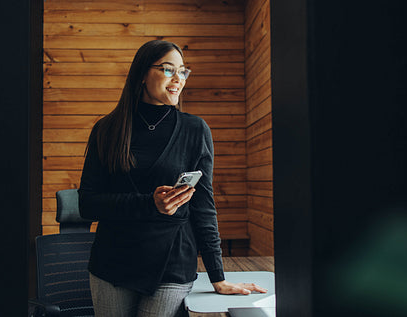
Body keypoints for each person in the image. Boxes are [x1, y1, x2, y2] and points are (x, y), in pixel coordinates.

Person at [78, 40, 267, 317]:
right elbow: (87, 205)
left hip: (172, 263)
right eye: (168, 70)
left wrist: (218, 276)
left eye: (183, 71)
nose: (178, 79)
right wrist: (149, 204)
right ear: (142, 74)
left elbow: (203, 207)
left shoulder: (195, 129)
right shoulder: (107, 130)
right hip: (113, 263)